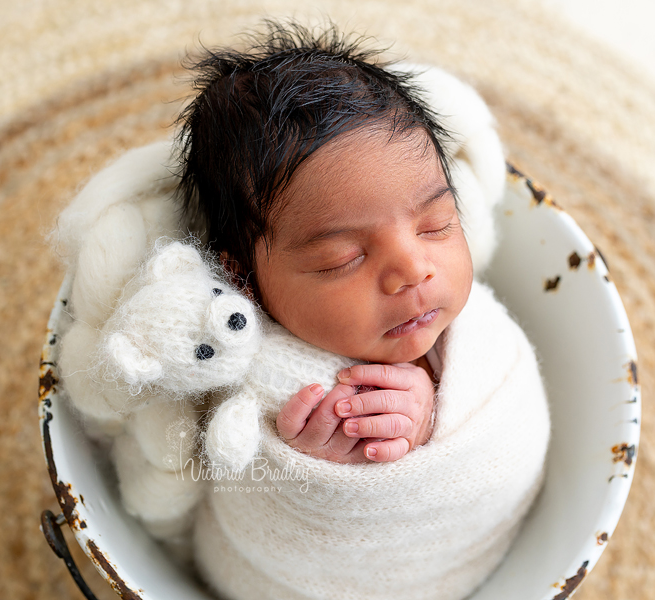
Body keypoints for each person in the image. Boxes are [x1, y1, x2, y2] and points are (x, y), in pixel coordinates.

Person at [176, 20, 470, 465]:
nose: (414, 269)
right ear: (245, 281)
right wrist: (311, 465)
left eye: (435, 223)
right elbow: (231, 481)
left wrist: (437, 415)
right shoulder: (247, 371)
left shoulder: (472, 337)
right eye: (343, 258)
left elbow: (509, 405)